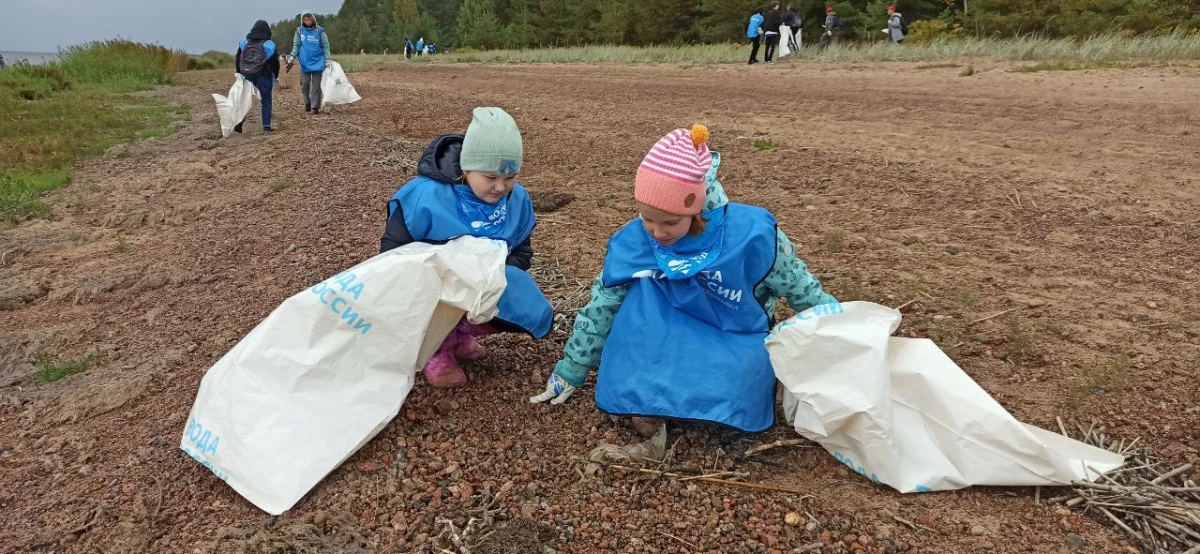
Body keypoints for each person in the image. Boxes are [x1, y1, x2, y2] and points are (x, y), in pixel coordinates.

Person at [531, 125, 839, 438]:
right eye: (647, 218)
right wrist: (573, 367)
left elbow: (798, 285)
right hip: (661, 334)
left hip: (729, 333)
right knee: (637, 296)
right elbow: (603, 304)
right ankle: (649, 400)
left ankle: (710, 406)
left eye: (670, 222)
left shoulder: (750, 235)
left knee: (743, 382)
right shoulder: (636, 240)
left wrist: (840, 325)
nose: (657, 232)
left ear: (696, 209)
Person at [380, 108, 553, 389]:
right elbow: (393, 253)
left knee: (529, 305)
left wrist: (489, 279)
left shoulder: (517, 200)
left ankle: (459, 333)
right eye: (489, 177)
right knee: (430, 301)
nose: (500, 187)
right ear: (466, 167)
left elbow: (522, 251)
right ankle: (436, 349)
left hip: (481, 286)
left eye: (510, 177)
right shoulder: (424, 197)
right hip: (432, 290)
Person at [235, 20, 281, 134]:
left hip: (247, 74)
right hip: (264, 75)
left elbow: (237, 59)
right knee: (266, 101)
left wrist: (239, 74)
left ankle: (239, 123)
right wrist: (275, 75)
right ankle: (266, 127)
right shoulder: (269, 44)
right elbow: (275, 63)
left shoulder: (244, 42)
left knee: (245, 100)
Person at [290, 11, 332, 115]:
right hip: (305, 62)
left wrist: (327, 59)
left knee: (317, 86)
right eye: (305, 19)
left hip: (318, 61)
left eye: (309, 19)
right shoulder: (299, 31)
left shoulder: (320, 31)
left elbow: (325, 46)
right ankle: (307, 101)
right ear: (302, 20)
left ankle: (315, 107)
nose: (307, 21)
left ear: (313, 19)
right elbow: (297, 45)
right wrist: (292, 56)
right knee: (304, 83)